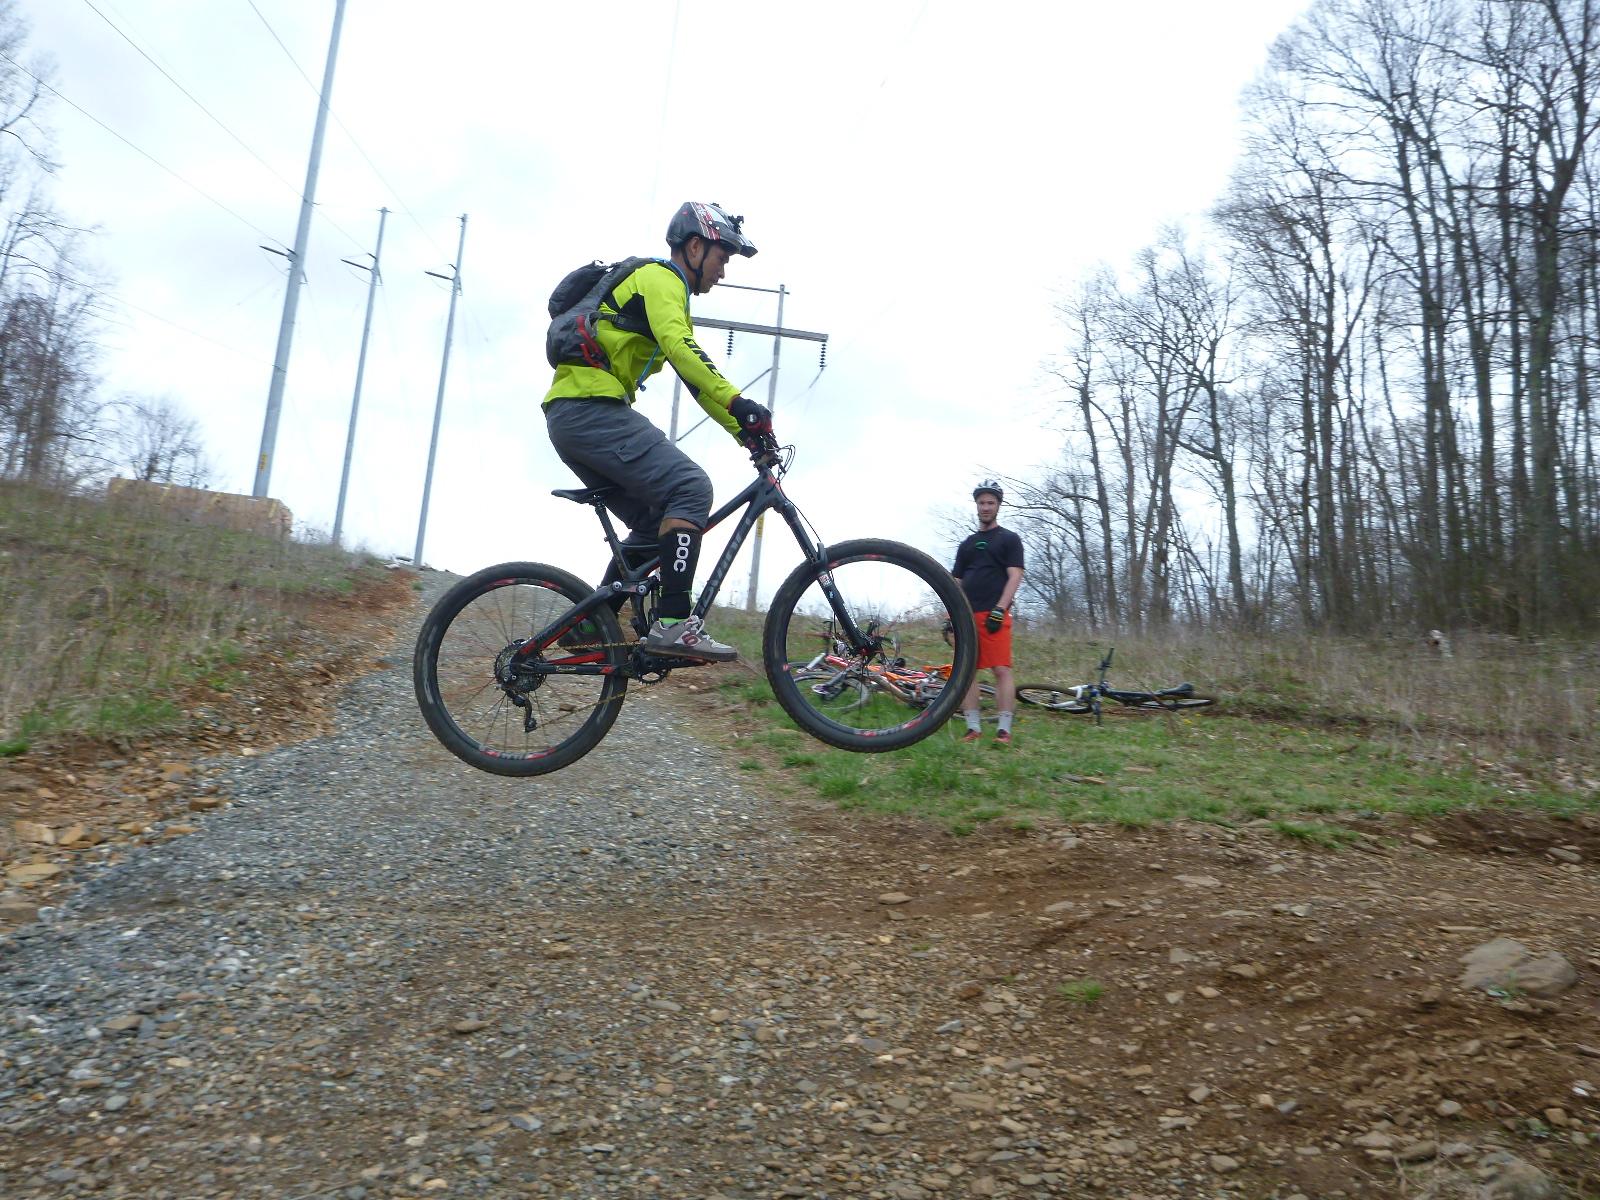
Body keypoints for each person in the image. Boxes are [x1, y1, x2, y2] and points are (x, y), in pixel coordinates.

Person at [542, 202, 773, 662]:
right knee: (690, 487)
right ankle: (673, 624)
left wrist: (744, 433)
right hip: (589, 410)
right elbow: (683, 350)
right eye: (722, 257)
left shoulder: (663, 292)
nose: (723, 271)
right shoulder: (662, 280)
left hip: (575, 417)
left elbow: (694, 380)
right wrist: (741, 405)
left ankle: (592, 623)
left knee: (654, 521)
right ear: (694, 247)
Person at [950, 479, 1025, 744]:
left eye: (990, 503)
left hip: (994, 614)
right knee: (967, 671)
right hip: (966, 616)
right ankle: (973, 728)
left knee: (1001, 669)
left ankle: (1004, 730)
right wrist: (951, 615)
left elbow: (1015, 575)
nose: (985, 507)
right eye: (981, 503)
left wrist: (1000, 609)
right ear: (976, 505)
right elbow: (955, 582)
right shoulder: (967, 544)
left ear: (998, 506)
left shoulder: (1009, 539)